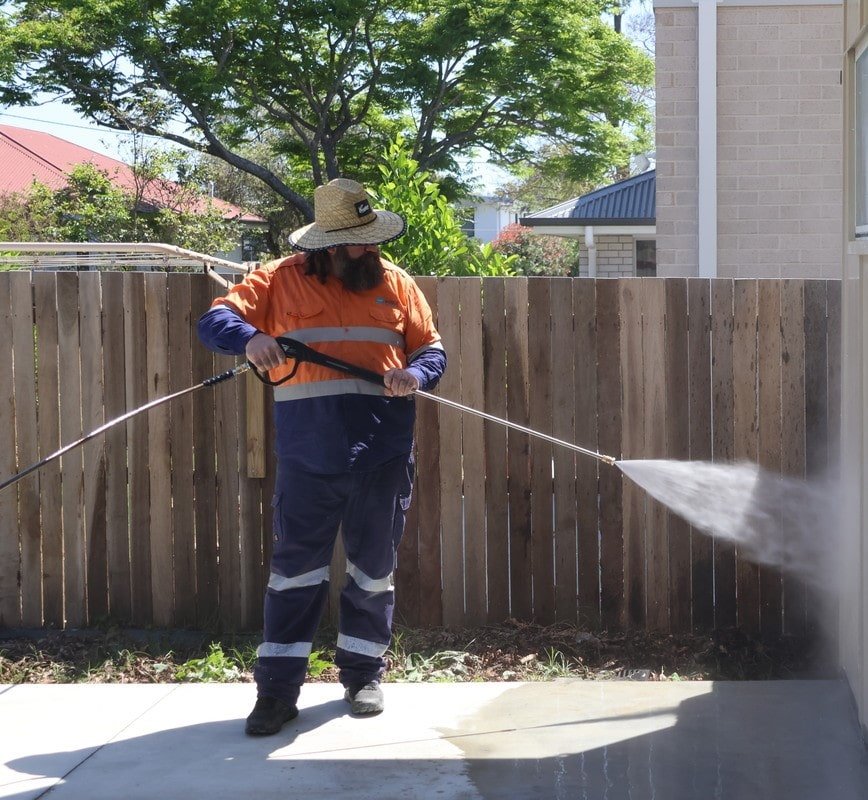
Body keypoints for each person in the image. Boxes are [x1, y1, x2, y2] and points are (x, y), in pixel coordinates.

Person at [197, 178, 446, 736]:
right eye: (357, 240)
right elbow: (214, 322)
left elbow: (431, 349)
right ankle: (277, 693)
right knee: (295, 575)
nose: (369, 248)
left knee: (373, 573)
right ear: (326, 244)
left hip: (383, 452)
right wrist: (249, 339)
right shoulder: (276, 279)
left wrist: (416, 373)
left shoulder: (397, 283)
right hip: (309, 455)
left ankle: (364, 677)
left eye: (371, 237)